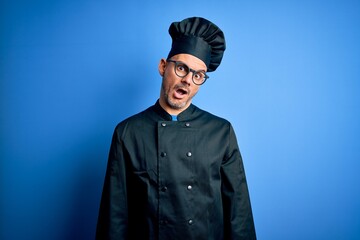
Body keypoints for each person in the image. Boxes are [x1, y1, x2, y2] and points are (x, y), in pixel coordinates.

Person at [96, 16, 256, 240]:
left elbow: (239, 216)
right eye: (181, 68)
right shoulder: (128, 132)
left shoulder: (221, 132)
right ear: (163, 66)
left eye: (198, 75)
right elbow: (114, 216)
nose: (188, 80)